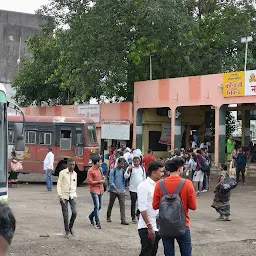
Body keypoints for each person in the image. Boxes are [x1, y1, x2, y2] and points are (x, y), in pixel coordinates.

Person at [153, 157, 197, 256]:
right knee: (186, 253)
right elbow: (193, 206)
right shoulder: (187, 184)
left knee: (169, 253)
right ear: (179, 169)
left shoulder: (160, 184)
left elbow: (155, 206)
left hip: (165, 225)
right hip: (183, 224)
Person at [137, 161, 164, 256]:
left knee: (153, 252)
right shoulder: (144, 186)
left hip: (156, 225)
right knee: (146, 252)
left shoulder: (157, 185)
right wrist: (149, 226)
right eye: (160, 171)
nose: (162, 174)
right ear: (153, 172)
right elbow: (142, 208)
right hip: (146, 226)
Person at [57, 158, 78, 238]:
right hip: (64, 195)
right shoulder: (62, 173)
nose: (72, 166)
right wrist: (60, 196)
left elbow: (74, 184)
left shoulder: (75, 174)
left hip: (72, 195)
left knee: (75, 212)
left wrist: (74, 193)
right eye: (70, 164)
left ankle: (70, 226)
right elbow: (59, 184)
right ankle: (67, 231)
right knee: (65, 214)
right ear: (67, 164)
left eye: (73, 165)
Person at [107, 158, 129, 225]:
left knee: (122, 205)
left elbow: (125, 178)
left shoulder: (123, 171)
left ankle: (123, 219)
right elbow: (111, 182)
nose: (122, 165)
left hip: (121, 190)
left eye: (123, 164)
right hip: (113, 191)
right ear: (118, 163)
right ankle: (108, 216)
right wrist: (116, 189)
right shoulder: (113, 171)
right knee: (111, 204)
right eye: (121, 163)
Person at [124, 156, 146, 224]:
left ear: (140, 161)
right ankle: (133, 217)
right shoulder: (130, 168)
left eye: (137, 161)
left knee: (142, 202)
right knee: (133, 203)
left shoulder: (142, 168)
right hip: (133, 189)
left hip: (140, 189)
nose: (136, 163)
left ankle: (137, 213)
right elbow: (125, 176)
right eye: (135, 162)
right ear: (133, 162)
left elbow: (144, 178)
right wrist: (128, 170)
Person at [87, 156, 105, 229]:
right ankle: (97, 222)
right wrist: (99, 182)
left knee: (99, 206)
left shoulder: (100, 169)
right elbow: (90, 182)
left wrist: (103, 178)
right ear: (97, 162)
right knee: (97, 206)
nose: (101, 163)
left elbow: (102, 176)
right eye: (100, 161)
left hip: (100, 189)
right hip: (94, 190)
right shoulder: (90, 171)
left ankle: (91, 216)